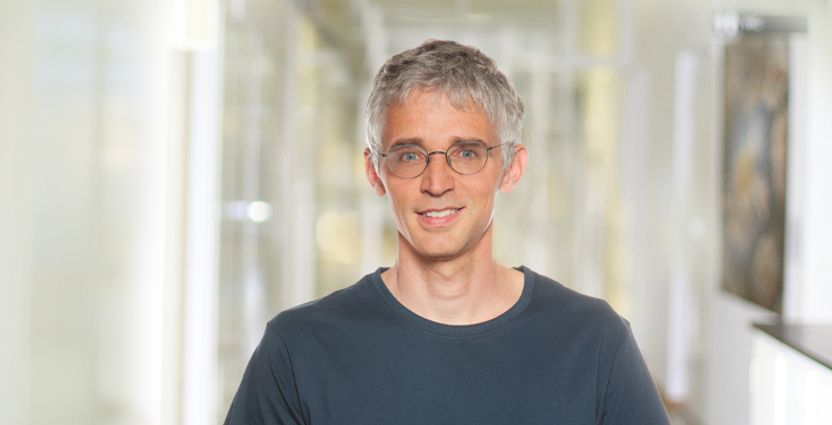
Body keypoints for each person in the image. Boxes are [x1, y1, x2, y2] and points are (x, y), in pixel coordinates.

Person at [224, 39, 670, 425]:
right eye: (410, 155)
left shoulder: (593, 344)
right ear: (375, 172)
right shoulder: (299, 351)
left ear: (511, 168)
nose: (437, 183)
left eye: (467, 153)